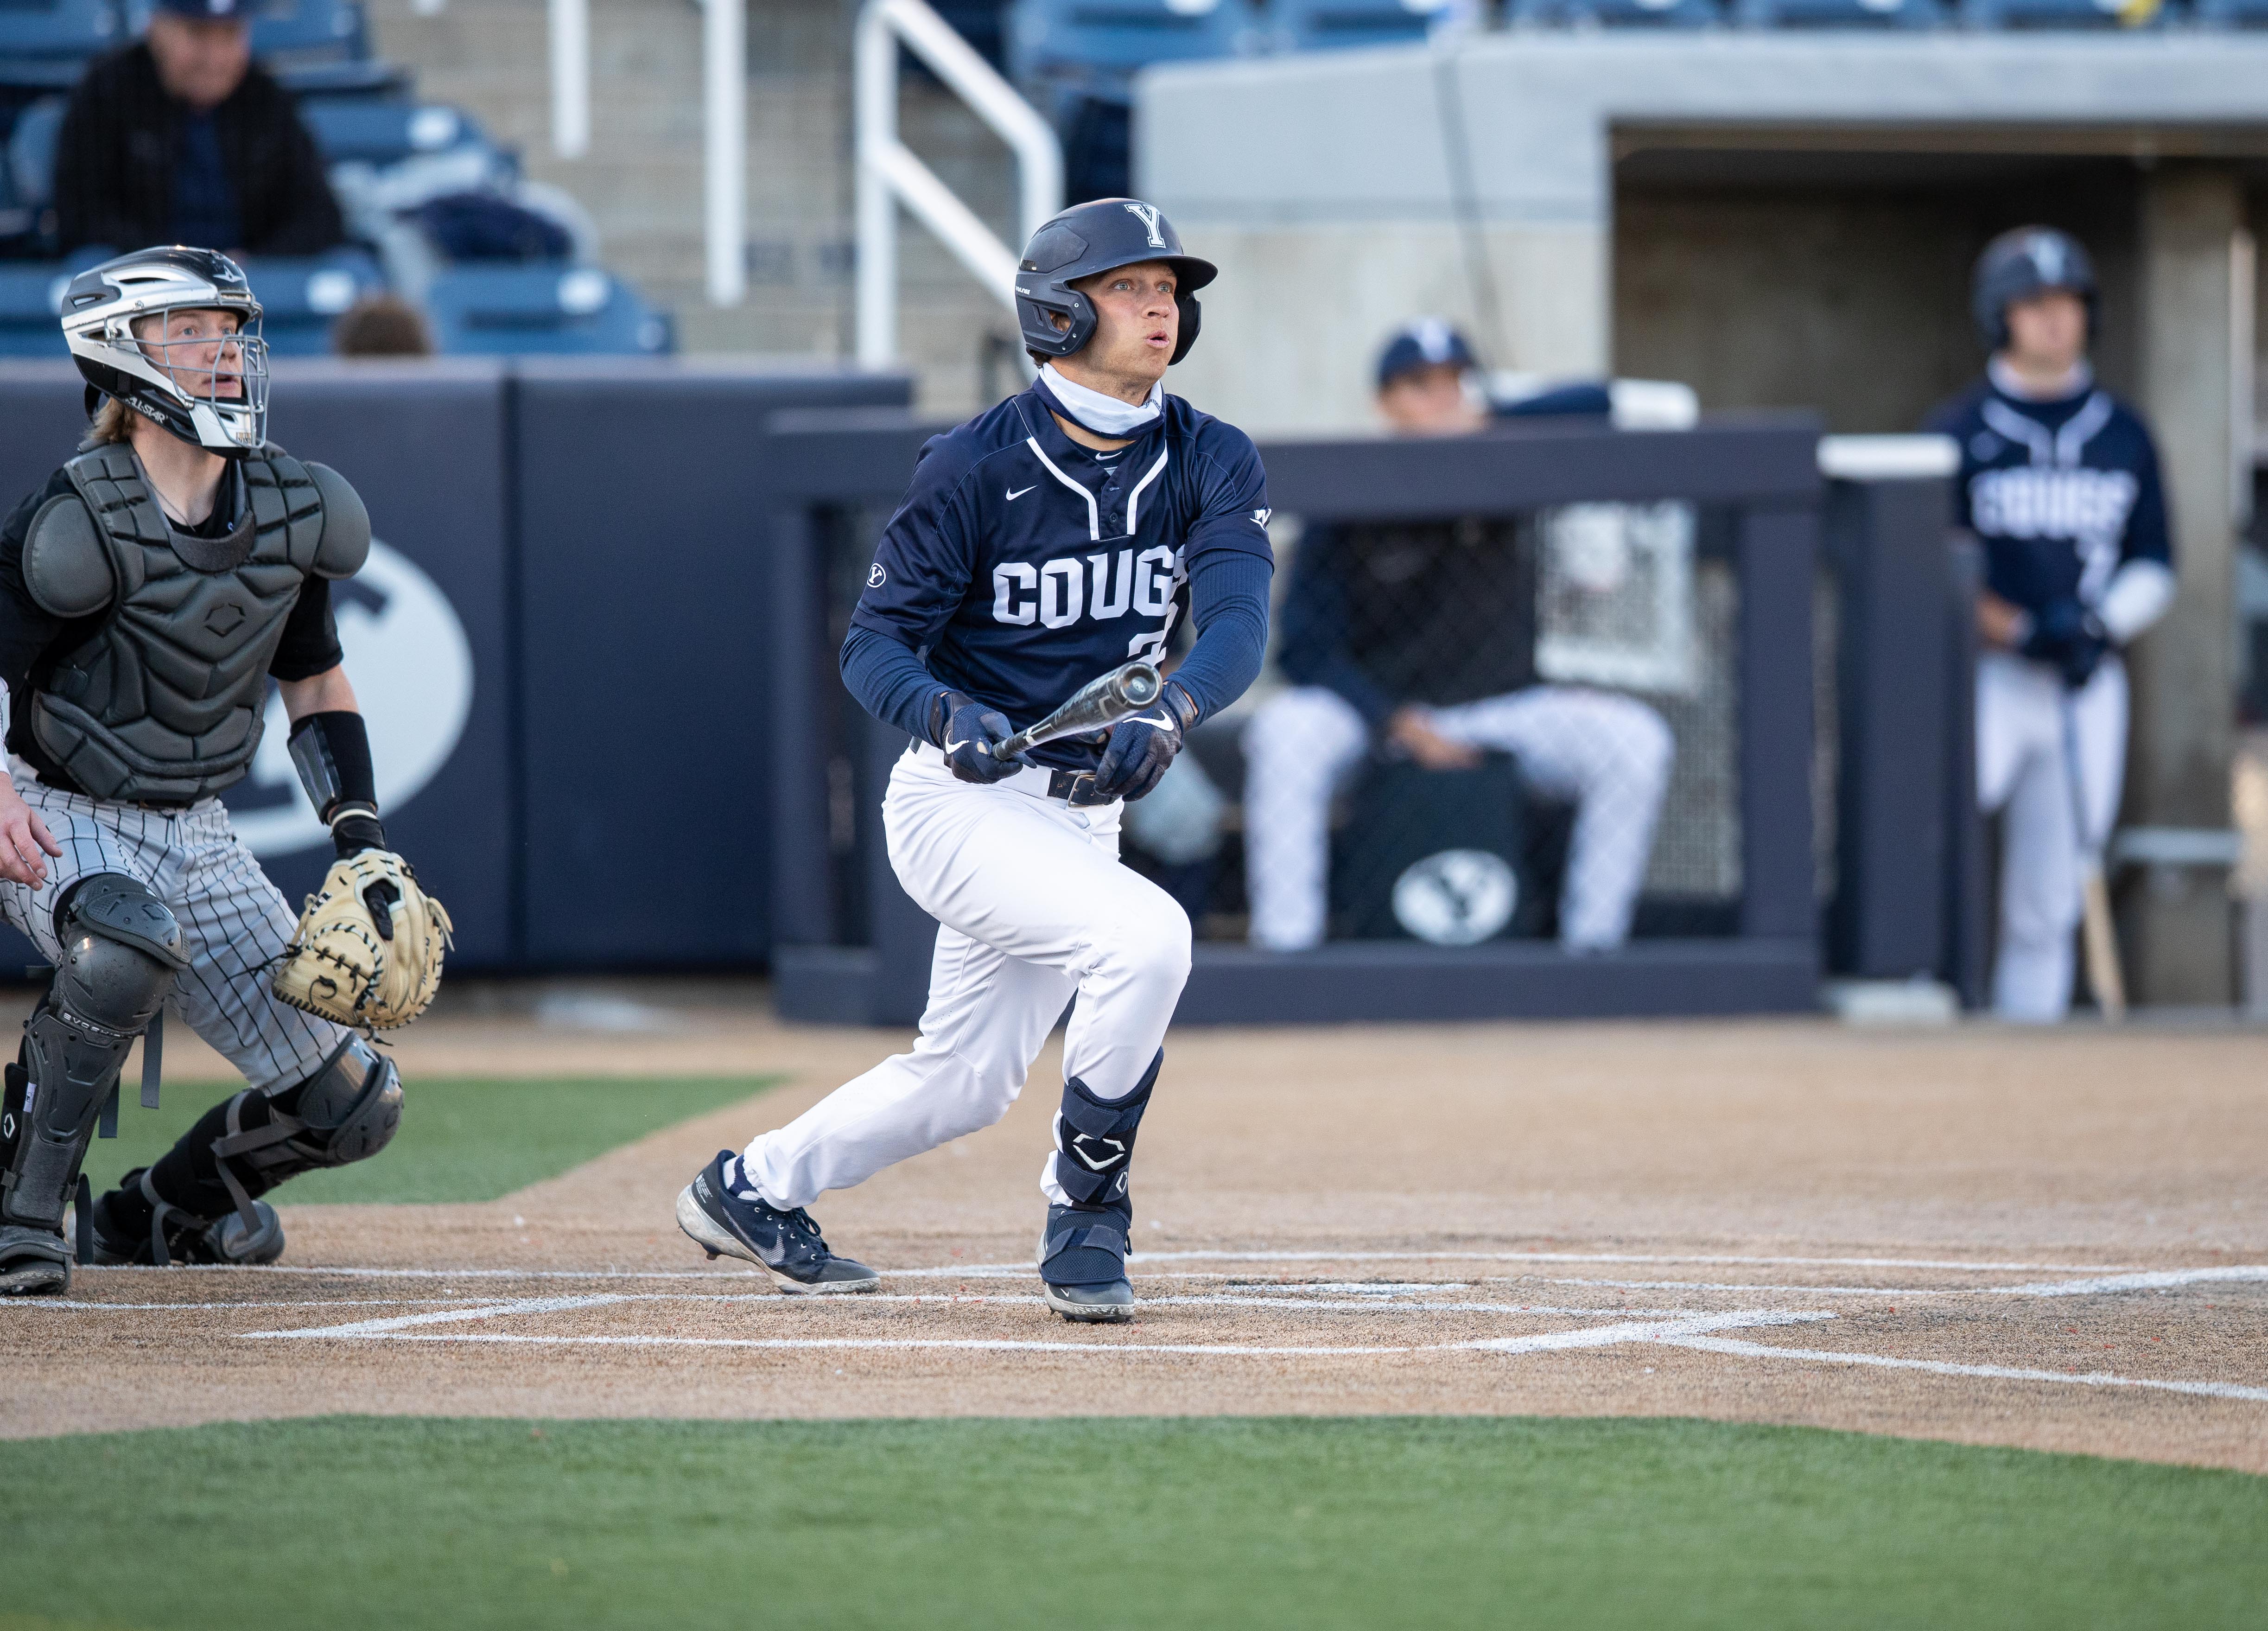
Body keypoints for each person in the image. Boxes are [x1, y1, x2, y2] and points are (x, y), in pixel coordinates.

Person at [678, 198, 1271, 1324]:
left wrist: (1180, 707)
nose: (1161, 306)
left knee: (965, 1080)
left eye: (1168, 290)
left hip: (1084, 811)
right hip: (963, 803)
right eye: (1131, 287)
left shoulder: (1210, 454)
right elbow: (873, 646)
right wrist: (948, 713)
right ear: (1058, 311)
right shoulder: (974, 465)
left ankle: (750, 1186)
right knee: (1149, 940)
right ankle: (1088, 1215)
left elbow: (1239, 614)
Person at [0, 248, 419, 1295]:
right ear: (119, 351)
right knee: (121, 951)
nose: (221, 350)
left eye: (228, 329)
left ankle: (152, 1213)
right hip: (61, 806)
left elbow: (316, 681)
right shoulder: (76, 513)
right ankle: (19, 1213)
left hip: (200, 825)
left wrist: (362, 839)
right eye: (188, 330)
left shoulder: (286, 504)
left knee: (353, 1102)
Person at [1239, 320, 1674, 953]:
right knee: (1284, 731)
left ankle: (1592, 951)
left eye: (1456, 383)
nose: (1442, 398)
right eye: (1420, 385)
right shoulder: (1347, 490)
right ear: (1385, 403)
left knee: (1636, 741)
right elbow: (1303, 651)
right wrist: (1396, 721)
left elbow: (1598, 405)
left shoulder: (1507, 463)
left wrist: (1491, 418)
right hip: (1378, 714)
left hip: (1505, 705)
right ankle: (1287, 949)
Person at [1926, 228, 2174, 1021]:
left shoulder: (2123, 432)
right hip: (1990, 676)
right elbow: (1932, 568)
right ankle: (1925, 1020)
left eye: (2065, 303)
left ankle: (2026, 1047)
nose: (2052, 322)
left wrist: (2100, 624)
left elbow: (2154, 561)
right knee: (1937, 839)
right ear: (1998, 317)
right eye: (2032, 306)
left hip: (2083, 679)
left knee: (2050, 893)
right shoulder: (1957, 431)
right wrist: (2018, 629)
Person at [52, 0, 346, 259]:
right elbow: (81, 213)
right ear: (157, 29)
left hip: (249, 285)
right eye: (198, 33)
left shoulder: (266, 97)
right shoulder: (107, 91)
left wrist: (252, 263)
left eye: (229, 36)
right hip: (139, 283)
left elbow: (319, 213)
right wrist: (173, 264)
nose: (214, 58)